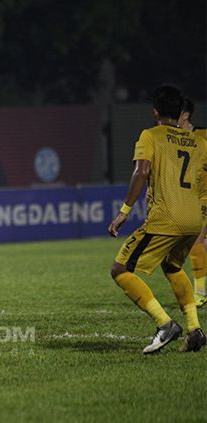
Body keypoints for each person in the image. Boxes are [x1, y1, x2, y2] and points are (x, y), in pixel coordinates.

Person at [108, 85, 206, 354]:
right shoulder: (198, 141)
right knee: (173, 267)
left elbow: (142, 172)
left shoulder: (150, 135)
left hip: (166, 217)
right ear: (180, 112)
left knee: (120, 270)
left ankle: (165, 324)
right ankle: (194, 330)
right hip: (193, 219)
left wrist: (124, 212)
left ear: (155, 112)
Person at [178, 98, 207, 308]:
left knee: (197, 241)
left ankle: (200, 292)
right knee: (200, 242)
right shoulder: (172, 139)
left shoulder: (204, 135)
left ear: (186, 114)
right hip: (190, 199)